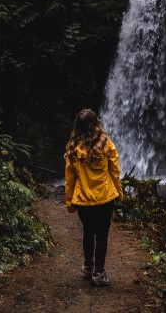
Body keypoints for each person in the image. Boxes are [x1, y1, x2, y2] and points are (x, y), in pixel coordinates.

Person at [65, 108, 123, 286]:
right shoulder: (106, 144)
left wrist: (70, 201)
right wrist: (119, 192)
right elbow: (115, 171)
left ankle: (88, 267)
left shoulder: (73, 148)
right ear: (96, 122)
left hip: (83, 200)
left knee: (88, 232)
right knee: (102, 234)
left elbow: (69, 178)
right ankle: (99, 273)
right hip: (105, 198)